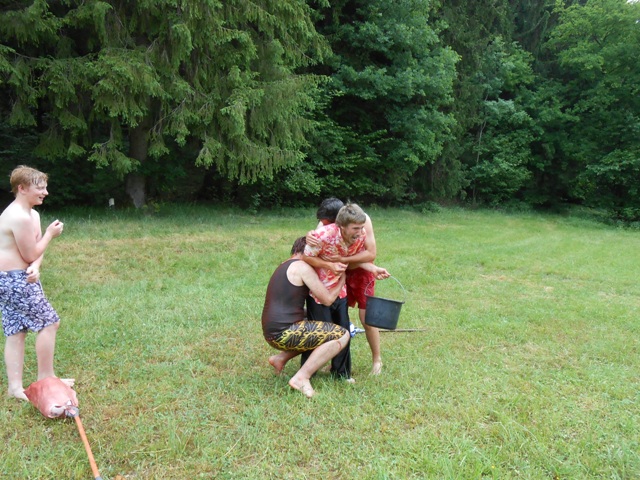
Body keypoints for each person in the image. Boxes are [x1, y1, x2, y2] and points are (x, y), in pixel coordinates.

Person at [0, 166, 71, 401]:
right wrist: (51, 235)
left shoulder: (32, 214)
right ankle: (46, 379)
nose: (45, 192)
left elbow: (35, 250)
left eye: (45, 187)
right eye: (40, 188)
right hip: (14, 281)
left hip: (17, 278)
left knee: (16, 331)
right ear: (21, 188)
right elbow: (31, 252)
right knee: (50, 323)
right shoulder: (18, 217)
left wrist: (36, 266)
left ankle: (15, 388)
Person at [303, 202, 389, 379]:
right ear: (339, 223)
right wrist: (310, 236)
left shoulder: (362, 222)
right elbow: (312, 249)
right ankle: (325, 364)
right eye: (355, 228)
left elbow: (370, 254)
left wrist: (366, 266)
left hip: (355, 270)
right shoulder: (328, 229)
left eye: (360, 228)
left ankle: (374, 361)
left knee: (364, 319)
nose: (360, 232)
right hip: (334, 276)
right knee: (332, 322)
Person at [262, 237, 351, 398]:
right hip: (285, 333)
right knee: (343, 335)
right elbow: (327, 299)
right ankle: (302, 377)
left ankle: (280, 359)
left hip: (272, 332)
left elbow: (288, 306)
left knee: (317, 328)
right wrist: (342, 280)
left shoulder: (284, 265)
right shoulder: (303, 267)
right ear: (309, 252)